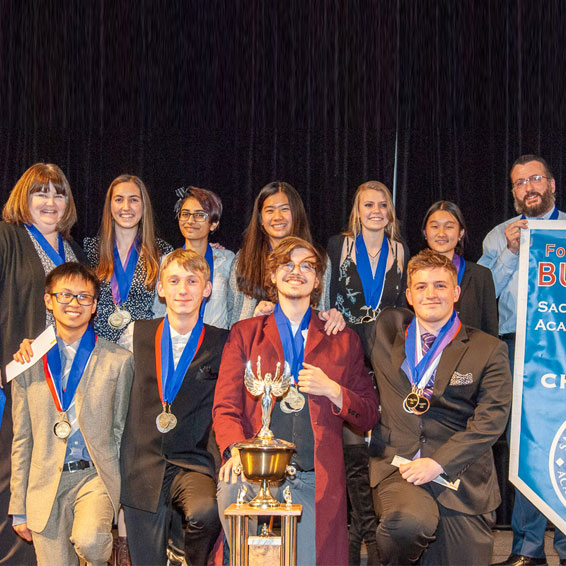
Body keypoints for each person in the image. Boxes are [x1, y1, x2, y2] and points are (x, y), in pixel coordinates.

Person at [214, 236, 379, 565]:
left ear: (318, 280)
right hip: (252, 472)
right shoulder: (245, 333)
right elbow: (225, 407)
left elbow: (369, 414)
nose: (296, 271)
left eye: (307, 266)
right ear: (272, 276)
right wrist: (234, 452)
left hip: (313, 477)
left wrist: (334, 390)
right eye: (287, 264)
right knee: (252, 553)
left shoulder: (342, 339)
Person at [359, 249, 512, 565]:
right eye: (422, 286)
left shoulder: (488, 349)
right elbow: (338, 338)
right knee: (406, 524)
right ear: (409, 296)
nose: (431, 294)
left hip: (462, 480)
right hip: (399, 469)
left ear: (456, 292)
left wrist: (439, 462)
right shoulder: (384, 332)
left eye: (441, 286)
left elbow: (491, 420)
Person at [9, 262, 134, 566]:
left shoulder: (118, 361)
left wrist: (121, 496)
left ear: (94, 306)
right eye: (64, 295)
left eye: (83, 297)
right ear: (48, 301)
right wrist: (19, 506)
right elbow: (22, 438)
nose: (74, 304)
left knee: (92, 541)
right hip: (45, 483)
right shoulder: (28, 361)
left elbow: (121, 432)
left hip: (94, 476)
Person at [479, 155, 566, 566]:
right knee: (525, 444)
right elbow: (481, 293)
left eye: (534, 179)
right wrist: (512, 252)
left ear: (551, 183)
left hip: (561, 345)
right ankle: (528, 549)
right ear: (513, 192)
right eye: (519, 183)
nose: (528, 187)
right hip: (515, 348)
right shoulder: (499, 235)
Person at [119, 248, 229, 566]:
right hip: (143, 463)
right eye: (175, 280)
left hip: (193, 462)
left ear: (207, 289)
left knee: (206, 512)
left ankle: (183, 556)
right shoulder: (135, 334)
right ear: (161, 288)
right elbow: (97, 365)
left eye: (193, 281)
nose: (183, 289)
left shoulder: (225, 341)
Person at [0, 163, 86, 565]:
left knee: (53, 482)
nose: (50, 202)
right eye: (41, 193)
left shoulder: (74, 250)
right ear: (24, 198)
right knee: (14, 482)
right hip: (18, 380)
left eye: (58, 193)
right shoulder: (6, 238)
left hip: (68, 385)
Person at [327, 180, 408, 565]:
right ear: (356, 211)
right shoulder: (336, 247)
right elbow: (326, 299)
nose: (375, 211)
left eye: (382, 204)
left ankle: (373, 540)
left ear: (389, 212)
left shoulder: (402, 252)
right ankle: (360, 536)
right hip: (347, 357)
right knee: (352, 451)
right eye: (367, 205)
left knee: (379, 451)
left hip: (387, 361)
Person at [227, 180, 344, 334]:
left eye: (284, 209)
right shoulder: (243, 259)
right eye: (270, 211)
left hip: (303, 345)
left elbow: (321, 308)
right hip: (254, 344)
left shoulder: (319, 258)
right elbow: (233, 318)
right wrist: (255, 315)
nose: (277, 217)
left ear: (296, 214)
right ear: (261, 219)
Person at [84, 174, 173, 343]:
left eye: (133, 200)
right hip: (99, 349)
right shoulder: (90, 250)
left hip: (143, 347)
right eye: (119, 200)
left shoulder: (161, 251)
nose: (126, 207)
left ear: (143, 205)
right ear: (109, 206)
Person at [154, 186, 235, 329]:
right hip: (175, 343)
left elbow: (233, 307)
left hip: (215, 344)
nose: (190, 221)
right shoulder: (166, 262)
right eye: (185, 214)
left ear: (214, 224)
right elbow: (158, 311)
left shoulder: (227, 260)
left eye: (199, 215)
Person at [422, 200, 498, 336]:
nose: (441, 233)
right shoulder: (413, 274)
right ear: (425, 232)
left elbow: (490, 331)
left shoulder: (481, 276)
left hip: (470, 354)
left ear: (461, 233)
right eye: (434, 226)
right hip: (425, 353)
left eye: (449, 227)